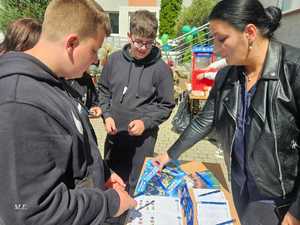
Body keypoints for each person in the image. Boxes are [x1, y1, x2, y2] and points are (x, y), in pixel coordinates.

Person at [155, 0, 300, 225]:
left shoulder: (294, 70)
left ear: (249, 33)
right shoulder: (227, 76)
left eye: (221, 39)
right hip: (242, 189)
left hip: (280, 200)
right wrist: (169, 154)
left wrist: (295, 211)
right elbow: (205, 120)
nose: (215, 48)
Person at [0, 1, 136, 225]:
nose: (95, 59)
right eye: (94, 50)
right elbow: (31, 212)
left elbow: (74, 144)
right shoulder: (20, 103)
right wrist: (110, 203)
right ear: (72, 43)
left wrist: (102, 173)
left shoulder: (54, 82)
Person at [98, 10, 175, 194]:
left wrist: (145, 122)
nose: (142, 48)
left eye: (148, 43)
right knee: (111, 182)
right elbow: (103, 90)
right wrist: (106, 115)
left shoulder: (161, 69)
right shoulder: (114, 60)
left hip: (143, 141)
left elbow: (166, 105)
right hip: (115, 136)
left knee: (136, 185)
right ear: (129, 36)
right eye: (138, 42)